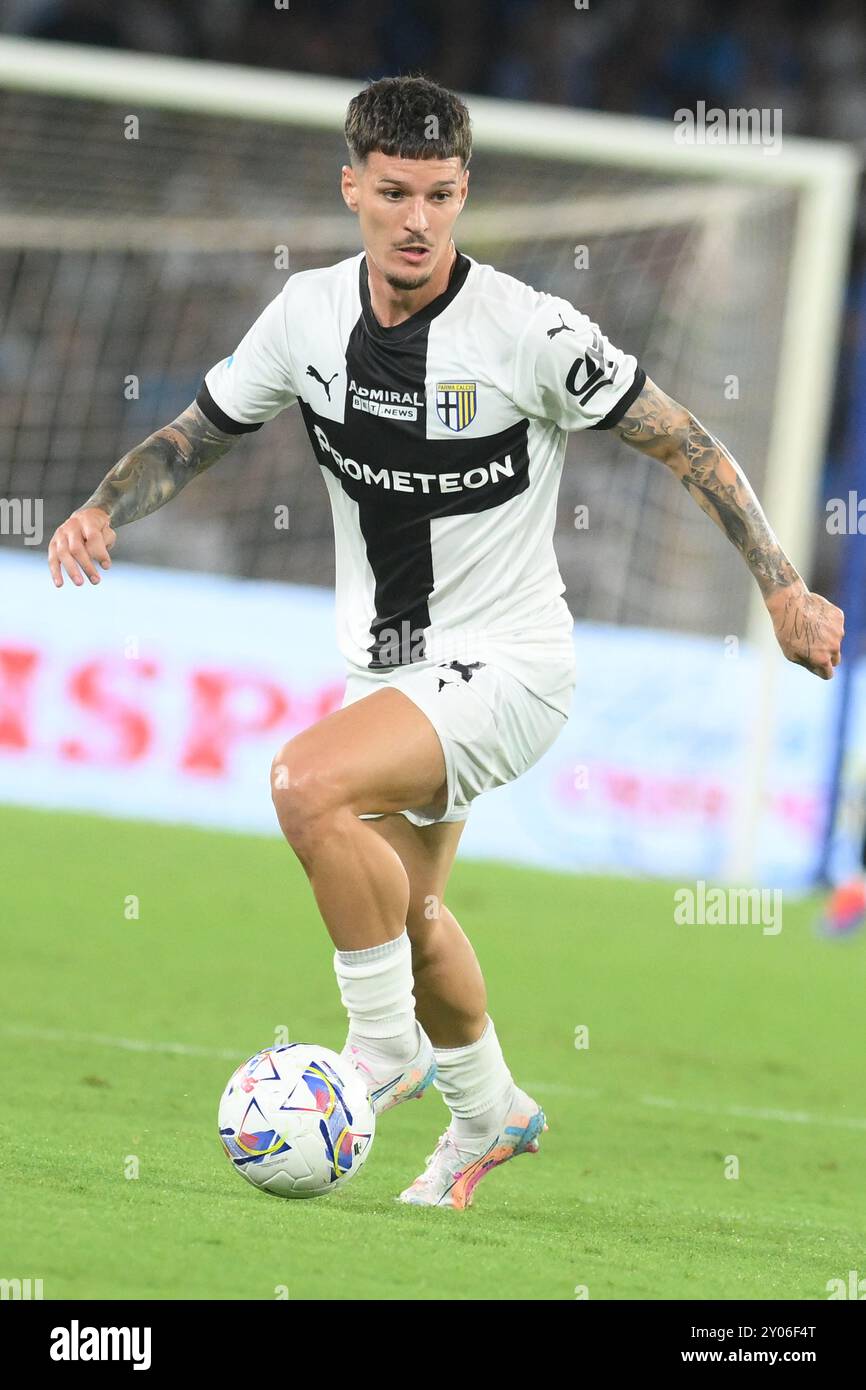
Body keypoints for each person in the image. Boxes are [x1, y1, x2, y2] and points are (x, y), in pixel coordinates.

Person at [47, 74, 845, 1209]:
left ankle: (378, 1053)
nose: (417, 219)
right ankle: (488, 1113)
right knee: (411, 922)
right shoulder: (305, 317)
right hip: (389, 664)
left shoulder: (527, 332)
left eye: (441, 194)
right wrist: (98, 508)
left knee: (303, 783)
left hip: (511, 666)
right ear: (351, 190)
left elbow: (685, 439)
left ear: (463, 193)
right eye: (393, 193)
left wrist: (779, 588)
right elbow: (199, 431)